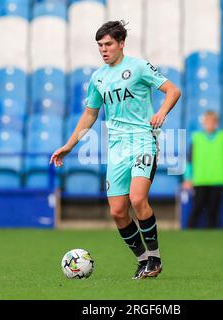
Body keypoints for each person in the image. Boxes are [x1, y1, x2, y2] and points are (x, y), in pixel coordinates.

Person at [50, 21, 181, 279]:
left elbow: (173, 90)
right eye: (100, 45)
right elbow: (90, 114)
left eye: (108, 44)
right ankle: (143, 260)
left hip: (143, 139)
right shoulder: (98, 77)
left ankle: (155, 258)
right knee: (118, 211)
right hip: (117, 147)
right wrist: (69, 145)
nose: (103, 49)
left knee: (137, 199)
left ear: (121, 43)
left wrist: (161, 112)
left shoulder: (139, 67)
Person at [182, 111, 223, 229]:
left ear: (216, 123)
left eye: (213, 121)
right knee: (196, 208)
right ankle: (188, 233)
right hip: (200, 180)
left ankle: (213, 238)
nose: (210, 124)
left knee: (214, 212)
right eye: (208, 121)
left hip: (218, 180)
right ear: (203, 123)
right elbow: (190, 160)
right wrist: (187, 178)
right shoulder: (196, 137)